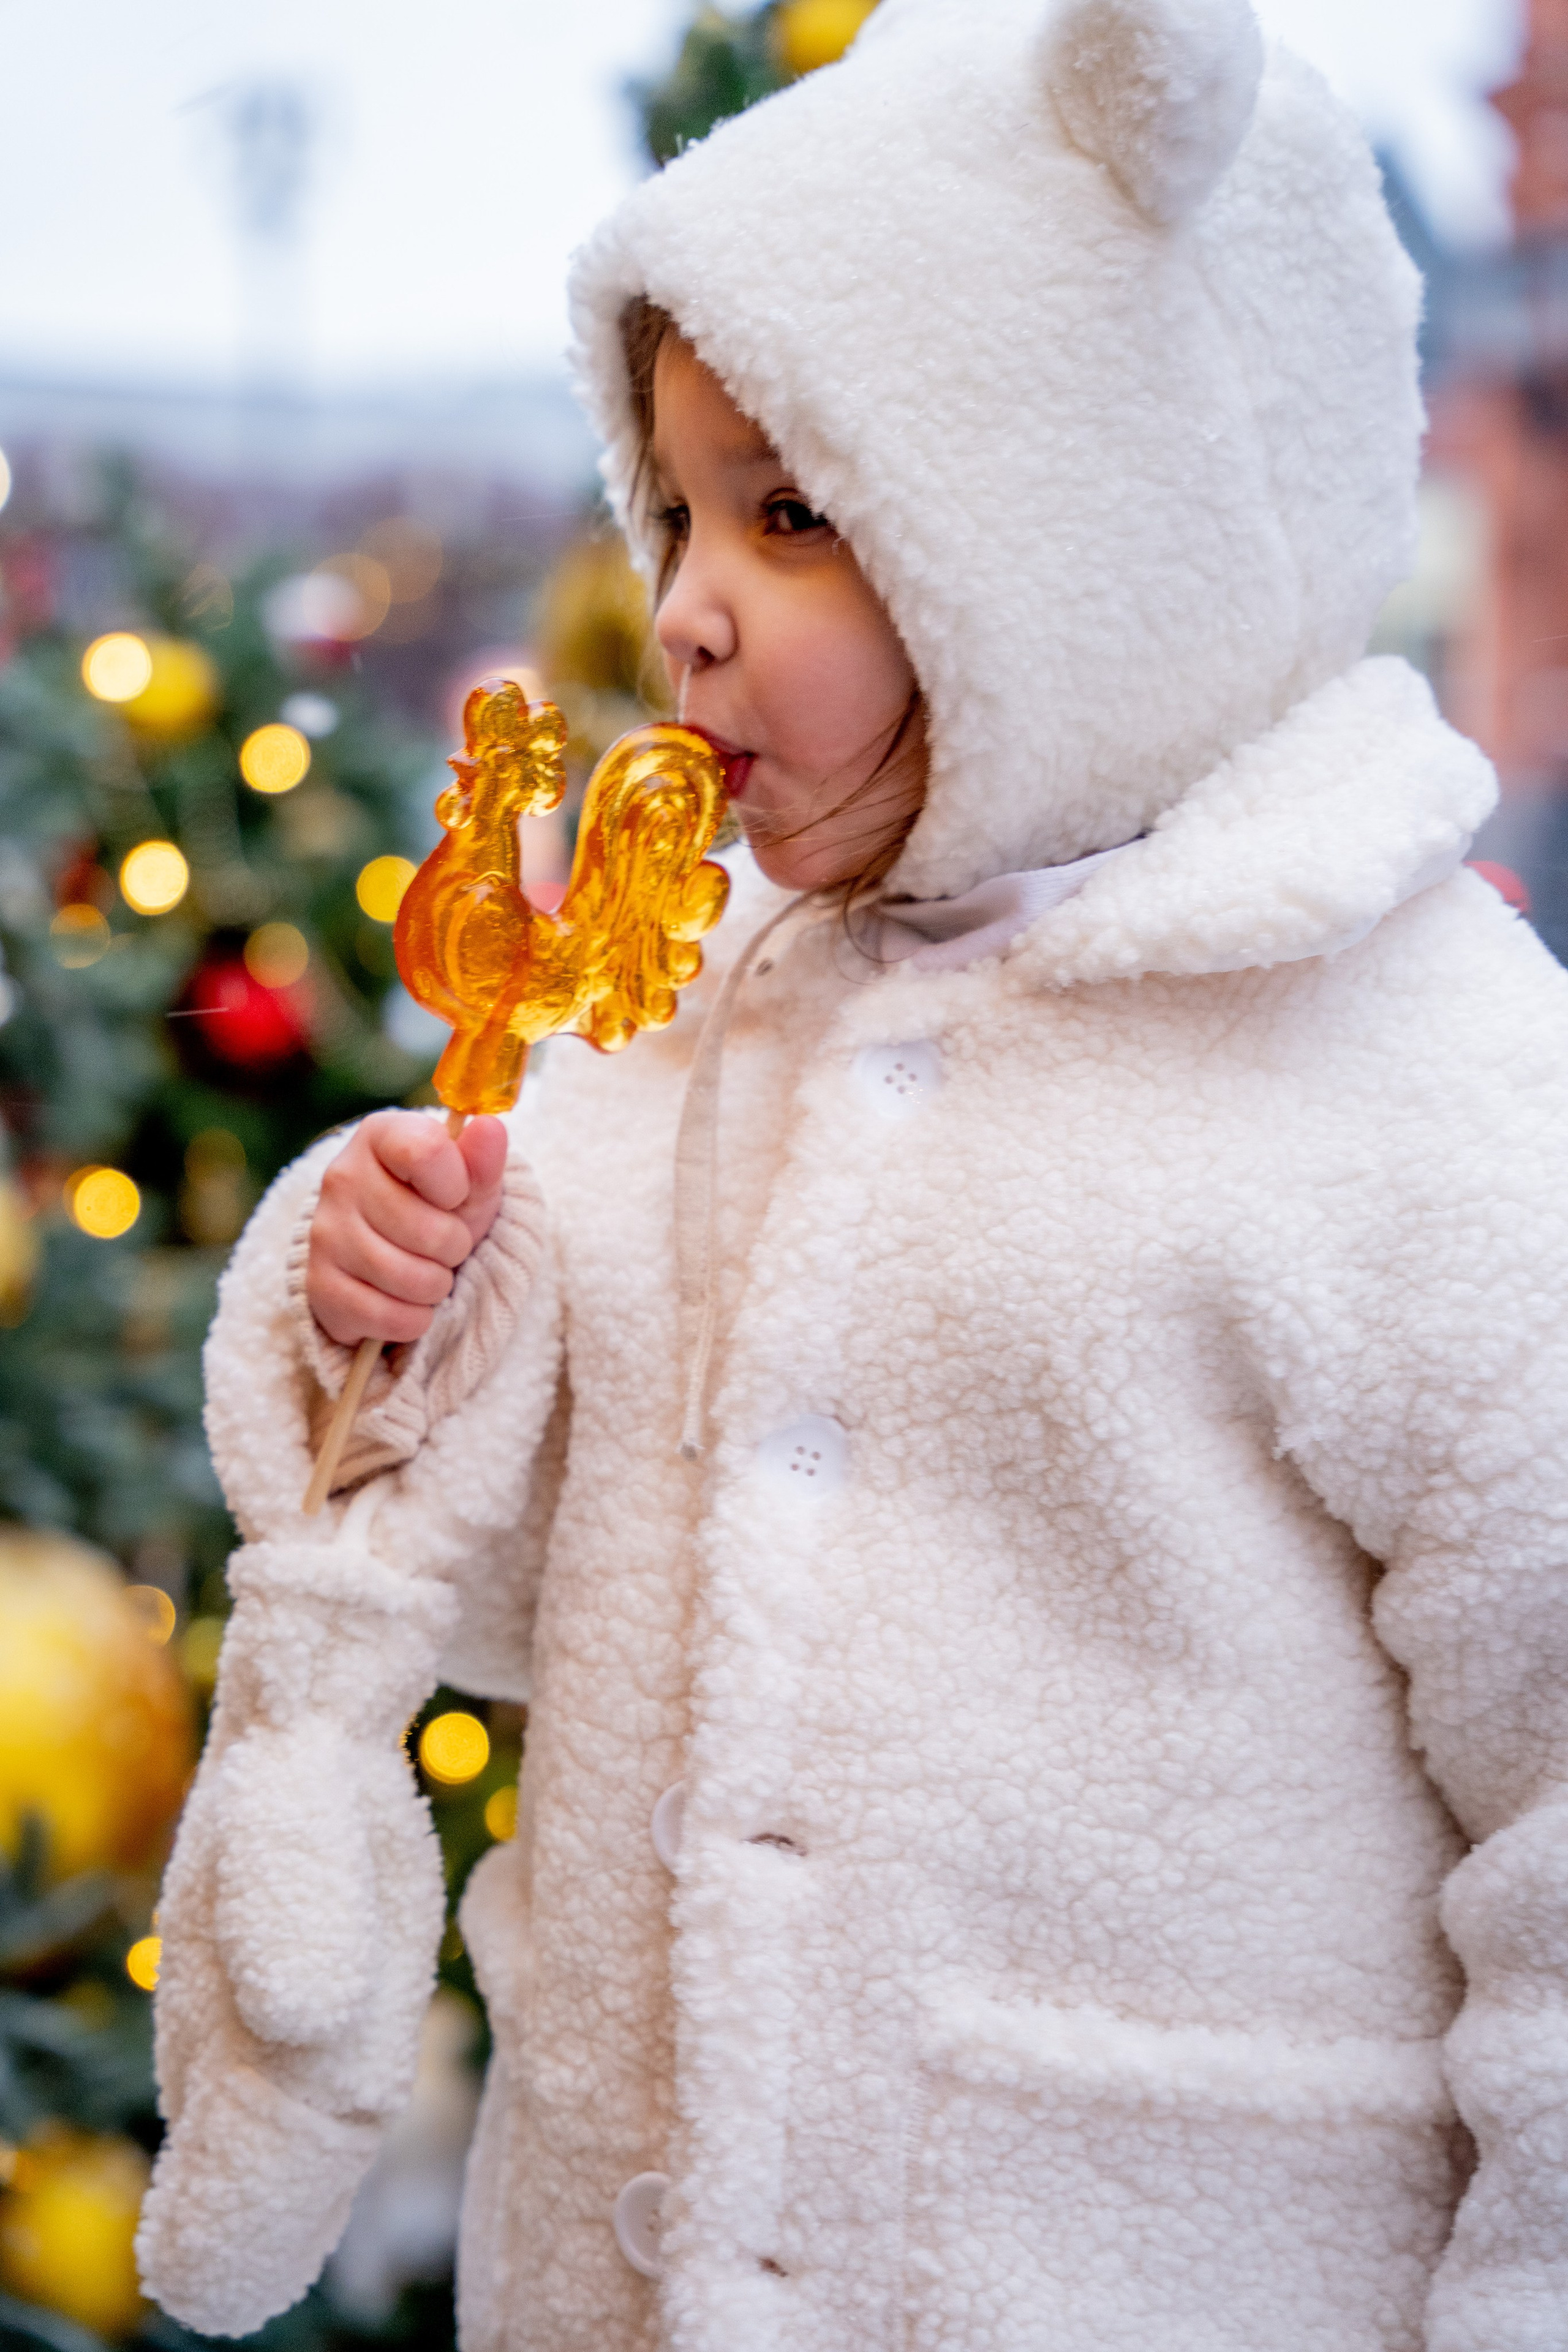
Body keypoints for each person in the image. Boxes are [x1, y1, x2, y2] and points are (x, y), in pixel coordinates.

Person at [137, 0, 1568, 2346]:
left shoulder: (1418, 1081)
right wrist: (385, 1301)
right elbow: (505, 1585)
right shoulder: (673, 995)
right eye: (676, 502)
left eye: (797, 513)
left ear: (1097, 520)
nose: (688, 597)